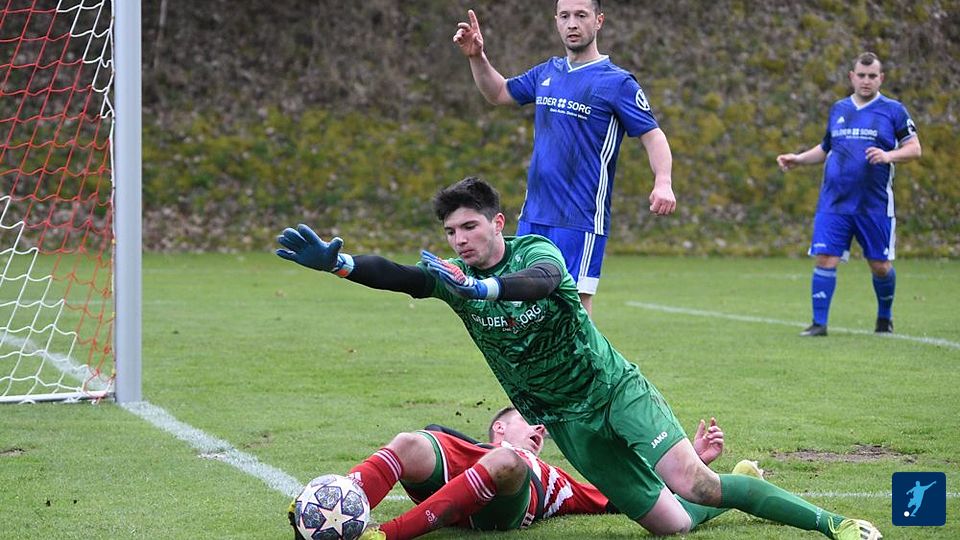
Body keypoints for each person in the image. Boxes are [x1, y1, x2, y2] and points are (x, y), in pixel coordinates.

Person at [276, 176, 881, 539]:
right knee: (673, 523)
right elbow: (403, 276)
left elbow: (539, 283)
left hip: (614, 390)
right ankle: (741, 482)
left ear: (497, 223)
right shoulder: (454, 276)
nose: (460, 241)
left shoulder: (536, 253)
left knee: (694, 482)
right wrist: (341, 264)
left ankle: (834, 524)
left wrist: (484, 289)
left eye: (469, 227)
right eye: (451, 233)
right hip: (567, 422)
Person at [452, 0, 677, 316]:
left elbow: (653, 135)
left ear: (598, 21)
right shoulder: (548, 71)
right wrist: (477, 57)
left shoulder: (617, 82)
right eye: (565, 16)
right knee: (525, 308)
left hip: (579, 220)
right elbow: (498, 92)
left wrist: (663, 182)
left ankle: (587, 353)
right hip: (534, 215)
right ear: (556, 21)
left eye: (581, 15)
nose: (572, 23)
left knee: (574, 309)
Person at [289, 407, 745, 539]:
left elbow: (631, 494)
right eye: (530, 421)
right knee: (409, 441)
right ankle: (329, 506)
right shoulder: (474, 446)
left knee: (507, 463)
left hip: (501, 506)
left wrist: (693, 464)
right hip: (467, 469)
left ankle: (385, 536)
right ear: (500, 427)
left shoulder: (552, 477)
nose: (541, 429)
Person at [776, 52, 921, 337]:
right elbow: (826, 148)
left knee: (880, 266)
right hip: (834, 202)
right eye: (861, 75)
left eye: (872, 76)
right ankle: (819, 324)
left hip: (874, 204)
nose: (866, 81)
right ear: (852, 77)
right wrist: (799, 159)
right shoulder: (839, 108)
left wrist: (888, 155)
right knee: (825, 259)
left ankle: (884, 318)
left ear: (881, 78)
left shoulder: (893, 110)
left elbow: (914, 149)